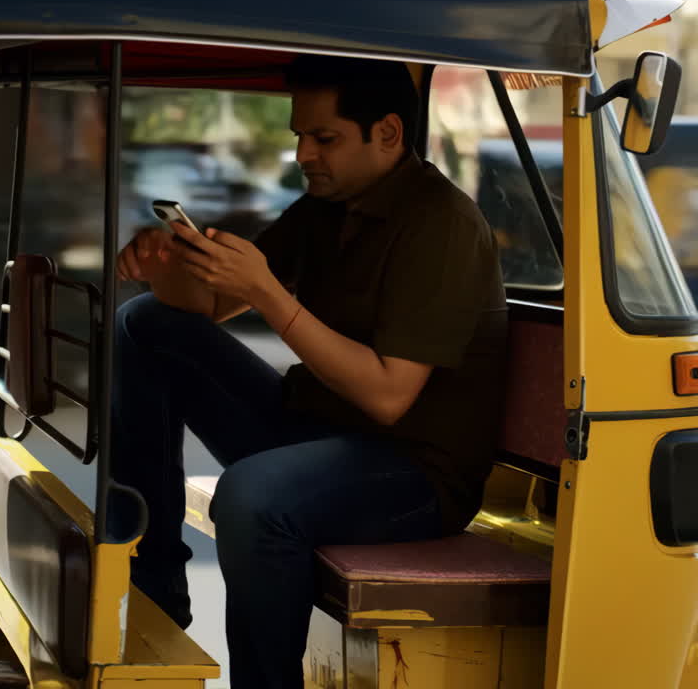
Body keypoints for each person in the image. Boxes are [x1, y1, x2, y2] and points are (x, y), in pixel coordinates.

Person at [110, 55, 508, 689]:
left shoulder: (443, 225)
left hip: (412, 473)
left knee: (252, 496)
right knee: (144, 324)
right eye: (300, 136)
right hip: (318, 429)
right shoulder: (328, 205)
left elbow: (387, 398)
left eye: (325, 138)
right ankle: (154, 592)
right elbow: (211, 306)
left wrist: (270, 294)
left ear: (387, 133)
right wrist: (166, 264)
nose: (304, 154)